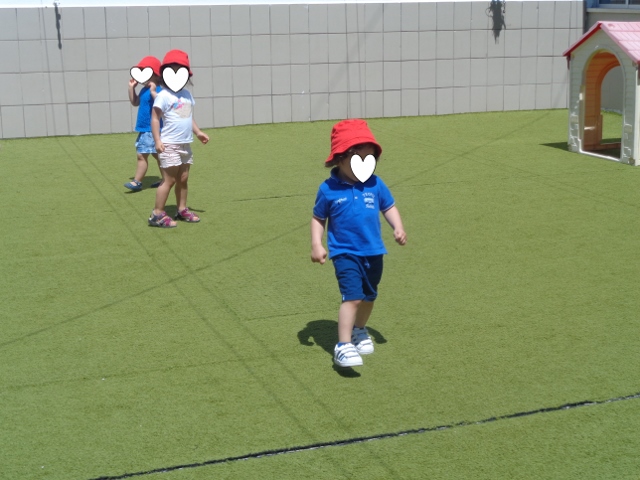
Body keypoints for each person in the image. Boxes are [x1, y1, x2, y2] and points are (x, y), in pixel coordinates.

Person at [311, 119, 407, 368]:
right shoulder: (328, 189)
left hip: (374, 251)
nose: (365, 165)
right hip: (345, 252)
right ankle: (343, 346)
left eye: (369, 159)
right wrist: (317, 244)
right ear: (340, 158)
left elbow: (389, 206)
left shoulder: (375, 184)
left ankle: (359, 329)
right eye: (358, 160)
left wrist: (397, 227)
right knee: (352, 297)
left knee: (368, 296)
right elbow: (318, 217)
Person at [148, 50, 209, 228]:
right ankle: (157, 214)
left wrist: (198, 132)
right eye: (171, 71)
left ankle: (182, 209)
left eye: (179, 71)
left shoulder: (186, 95)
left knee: (183, 178)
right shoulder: (163, 95)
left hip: (185, 144)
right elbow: (155, 118)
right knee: (169, 180)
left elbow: (187, 116)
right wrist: (157, 141)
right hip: (169, 145)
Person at [124, 56, 163, 192]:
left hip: (154, 130)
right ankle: (163, 179)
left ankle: (138, 181)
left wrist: (153, 91)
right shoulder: (144, 89)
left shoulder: (160, 91)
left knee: (148, 155)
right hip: (145, 129)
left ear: (155, 74)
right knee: (150, 155)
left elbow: (162, 104)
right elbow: (135, 102)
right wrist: (131, 88)